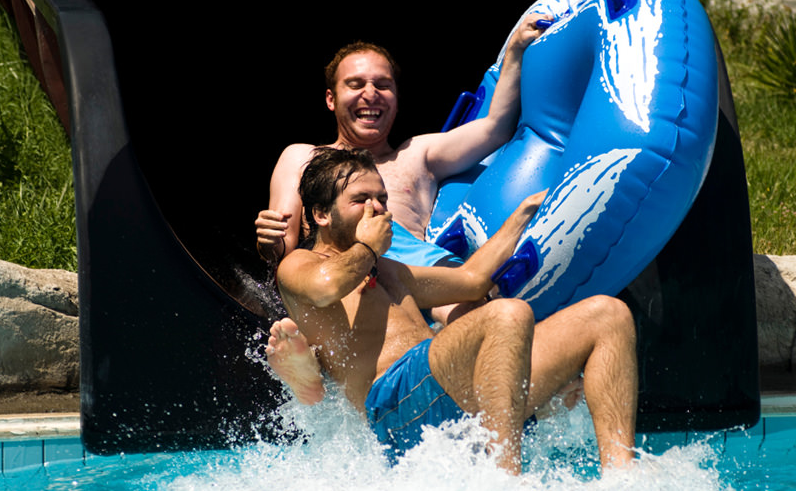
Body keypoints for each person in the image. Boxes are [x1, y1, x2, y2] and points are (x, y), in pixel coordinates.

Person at [267, 147, 638, 475]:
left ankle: (623, 476)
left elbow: (472, 280)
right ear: (321, 214)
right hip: (394, 405)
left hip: (452, 388)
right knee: (508, 314)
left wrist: (525, 212)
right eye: (361, 199)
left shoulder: (388, 269)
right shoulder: (299, 265)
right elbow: (326, 288)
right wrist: (367, 247)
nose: (377, 208)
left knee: (608, 314)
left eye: (381, 198)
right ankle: (505, 478)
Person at [255, 12, 552, 268]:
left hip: (410, 292)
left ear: (396, 100)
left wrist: (516, 48)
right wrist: (269, 241)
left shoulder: (418, 155)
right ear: (331, 99)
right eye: (355, 84)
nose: (370, 94)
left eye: (383, 85)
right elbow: (282, 250)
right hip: (334, 290)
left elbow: (494, 128)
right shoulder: (302, 158)